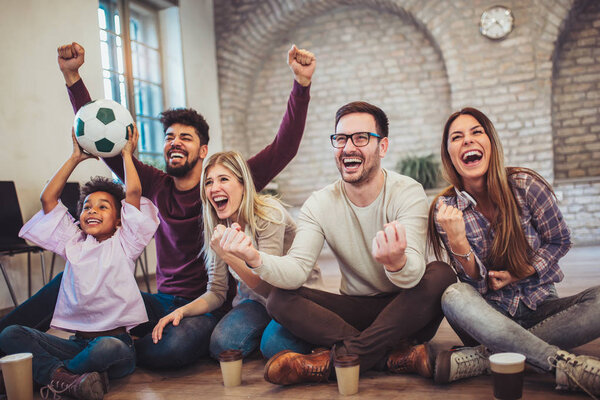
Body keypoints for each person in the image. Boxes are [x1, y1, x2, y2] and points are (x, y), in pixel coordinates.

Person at [0, 42, 316, 370]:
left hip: (206, 304)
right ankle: (20, 344)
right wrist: (72, 76)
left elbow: (283, 148)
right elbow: (105, 143)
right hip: (157, 300)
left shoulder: (226, 183)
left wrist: (301, 85)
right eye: (168, 137)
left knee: (167, 353)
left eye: (185, 137)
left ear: (203, 150)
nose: (174, 142)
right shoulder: (153, 183)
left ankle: (106, 352)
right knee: (71, 278)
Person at [216, 101, 456, 385]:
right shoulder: (319, 203)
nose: (348, 147)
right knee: (280, 299)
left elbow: (415, 272)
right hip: (354, 311)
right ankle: (390, 356)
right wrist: (254, 258)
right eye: (341, 139)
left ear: (383, 147)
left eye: (361, 138)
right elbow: (295, 271)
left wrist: (397, 263)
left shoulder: (407, 192)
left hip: (405, 310)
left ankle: (332, 361)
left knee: (441, 273)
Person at [428, 107, 600, 397]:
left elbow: (559, 240)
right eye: (457, 137)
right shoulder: (445, 211)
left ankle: (484, 359)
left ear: (491, 144)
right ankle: (563, 365)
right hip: (486, 319)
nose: (468, 141)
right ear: (449, 155)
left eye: (476, 132)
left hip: (540, 306)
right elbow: (478, 288)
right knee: (453, 296)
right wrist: (459, 245)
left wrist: (523, 271)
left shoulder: (525, 185)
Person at [0, 126, 159, 400]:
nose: (92, 210)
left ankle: (52, 377)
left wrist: (127, 155)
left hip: (116, 345)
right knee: (10, 333)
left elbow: (132, 194)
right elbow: (48, 199)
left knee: (106, 348)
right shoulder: (73, 242)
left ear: (120, 219)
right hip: (76, 345)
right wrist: (75, 157)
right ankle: (67, 378)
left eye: (102, 206)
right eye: (87, 206)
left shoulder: (125, 243)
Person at [151, 151, 323, 359]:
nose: (215, 188)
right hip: (255, 302)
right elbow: (217, 291)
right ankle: (266, 334)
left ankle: (285, 337)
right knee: (222, 345)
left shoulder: (269, 214)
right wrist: (182, 311)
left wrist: (229, 256)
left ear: (243, 184)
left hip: (293, 297)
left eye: (224, 179)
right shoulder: (215, 226)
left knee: (275, 347)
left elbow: (268, 288)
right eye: (208, 183)